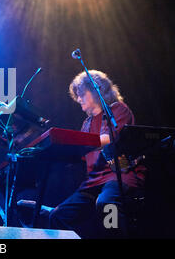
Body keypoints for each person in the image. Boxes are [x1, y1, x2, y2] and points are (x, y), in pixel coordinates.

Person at [48, 70, 146, 238]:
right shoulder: (87, 123)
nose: (78, 99)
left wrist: (77, 143)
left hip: (119, 176)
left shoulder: (117, 110)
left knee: (107, 203)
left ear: (96, 90)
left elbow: (108, 138)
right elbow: (78, 155)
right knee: (57, 216)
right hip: (93, 182)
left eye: (81, 94)